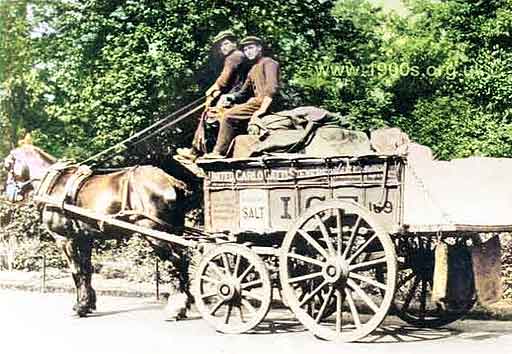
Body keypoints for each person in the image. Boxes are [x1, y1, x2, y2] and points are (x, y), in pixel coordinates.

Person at [176, 30, 250, 161]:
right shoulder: (238, 56)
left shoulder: (235, 56)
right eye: (221, 46)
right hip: (234, 96)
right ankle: (197, 150)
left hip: (236, 98)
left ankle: (198, 151)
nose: (223, 48)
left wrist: (213, 89)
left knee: (210, 114)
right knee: (207, 115)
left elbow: (224, 79)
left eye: (226, 44)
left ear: (234, 43)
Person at [203, 36, 281, 159]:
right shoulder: (253, 69)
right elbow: (243, 92)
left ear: (259, 48)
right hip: (254, 102)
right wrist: (229, 97)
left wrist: (261, 110)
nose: (248, 51)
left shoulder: (269, 63)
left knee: (228, 116)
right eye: (245, 49)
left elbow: (272, 89)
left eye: (251, 48)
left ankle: (219, 152)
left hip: (264, 102)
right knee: (217, 113)